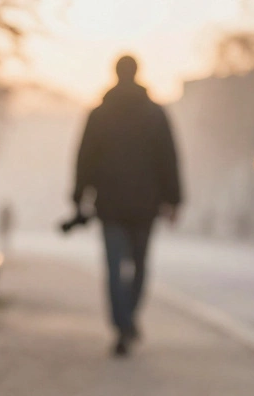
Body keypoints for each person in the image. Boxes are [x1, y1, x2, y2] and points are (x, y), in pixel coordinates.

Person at [72, 55, 182, 357]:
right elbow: (169, 159)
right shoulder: (155, 114)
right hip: (146, 206)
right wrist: (173, 200)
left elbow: (84, 158)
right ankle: (128, 319)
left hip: (109, 204)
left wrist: (79, 196)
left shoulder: (100, 114)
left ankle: (122, 324)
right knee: (140, 266)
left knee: (113, 268)